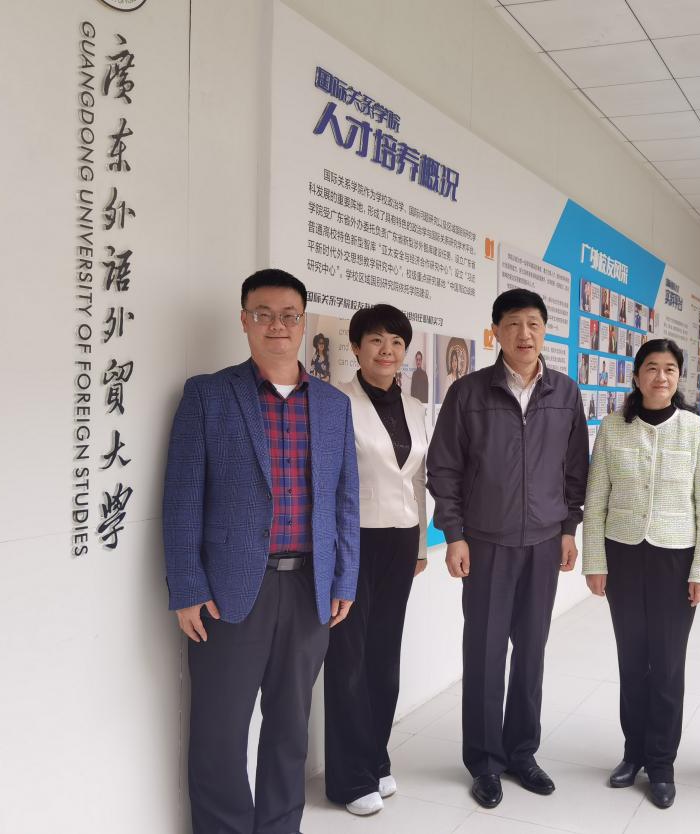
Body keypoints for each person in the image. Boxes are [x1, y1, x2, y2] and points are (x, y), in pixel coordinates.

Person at [163, 268, 359, 834]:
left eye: (289, 315)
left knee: (291, 728)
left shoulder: (332, 405)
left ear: (303, 323)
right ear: (244, 321)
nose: (277, 325)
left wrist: (344, 579)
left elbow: (345, 500)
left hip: (309, 588)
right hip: (228, 591)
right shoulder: (208, 395)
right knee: (219, 731)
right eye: (264, 314)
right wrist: (188, 587)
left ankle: (279, 825)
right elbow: (182, 498)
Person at [427, 288, 589, 809]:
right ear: (496, 330)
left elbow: (575, 469)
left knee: (531, 651)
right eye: (514, 324)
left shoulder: (564, 392)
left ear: (545, 331)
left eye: (534, 324)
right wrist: (454, 534)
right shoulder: (469, 393)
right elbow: (444, 468)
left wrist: (569, 527)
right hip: (486, 542)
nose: (525, 334)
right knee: (484, 652)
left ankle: (522, 752)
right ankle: (484, 761)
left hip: (543, 542)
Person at [582, 338, 700, 809]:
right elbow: (596, 498)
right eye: (651, 368)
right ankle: (633, 753)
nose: (660, 377)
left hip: (675, 561)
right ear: (637, 375)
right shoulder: (613, 427)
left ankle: (661, 764)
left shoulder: (697, 430)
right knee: (631, 660)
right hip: (623, 556)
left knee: (666, 664)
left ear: (678, 377)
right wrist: (595, 561)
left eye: (669, 369)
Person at [323, 304, 430, 817]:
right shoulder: (335, 402)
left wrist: (421, 545)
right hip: (354, 540)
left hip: (401, 541)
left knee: (385, 657)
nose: (387, 351)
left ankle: (376, 758)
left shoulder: (414, 406)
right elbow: (328, 481)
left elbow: (418, 478)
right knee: (348, 659)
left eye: (396, 342)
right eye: (376, 340)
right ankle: (349, 778)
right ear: (356, 347)